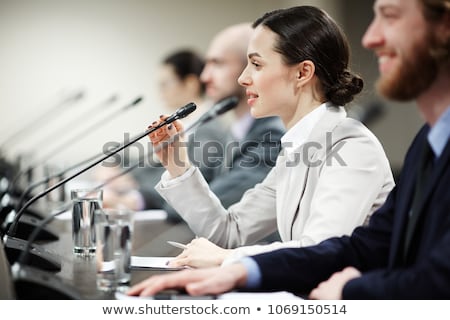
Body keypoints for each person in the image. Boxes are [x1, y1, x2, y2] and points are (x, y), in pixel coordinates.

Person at [128, 0, 450, 299]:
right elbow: (230, 231)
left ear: (302, 73)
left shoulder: (352, 146)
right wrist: (178, 165)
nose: (243, 78)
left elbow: (320, 249)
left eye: (256, 64)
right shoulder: (297, 148)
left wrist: (230, 260)